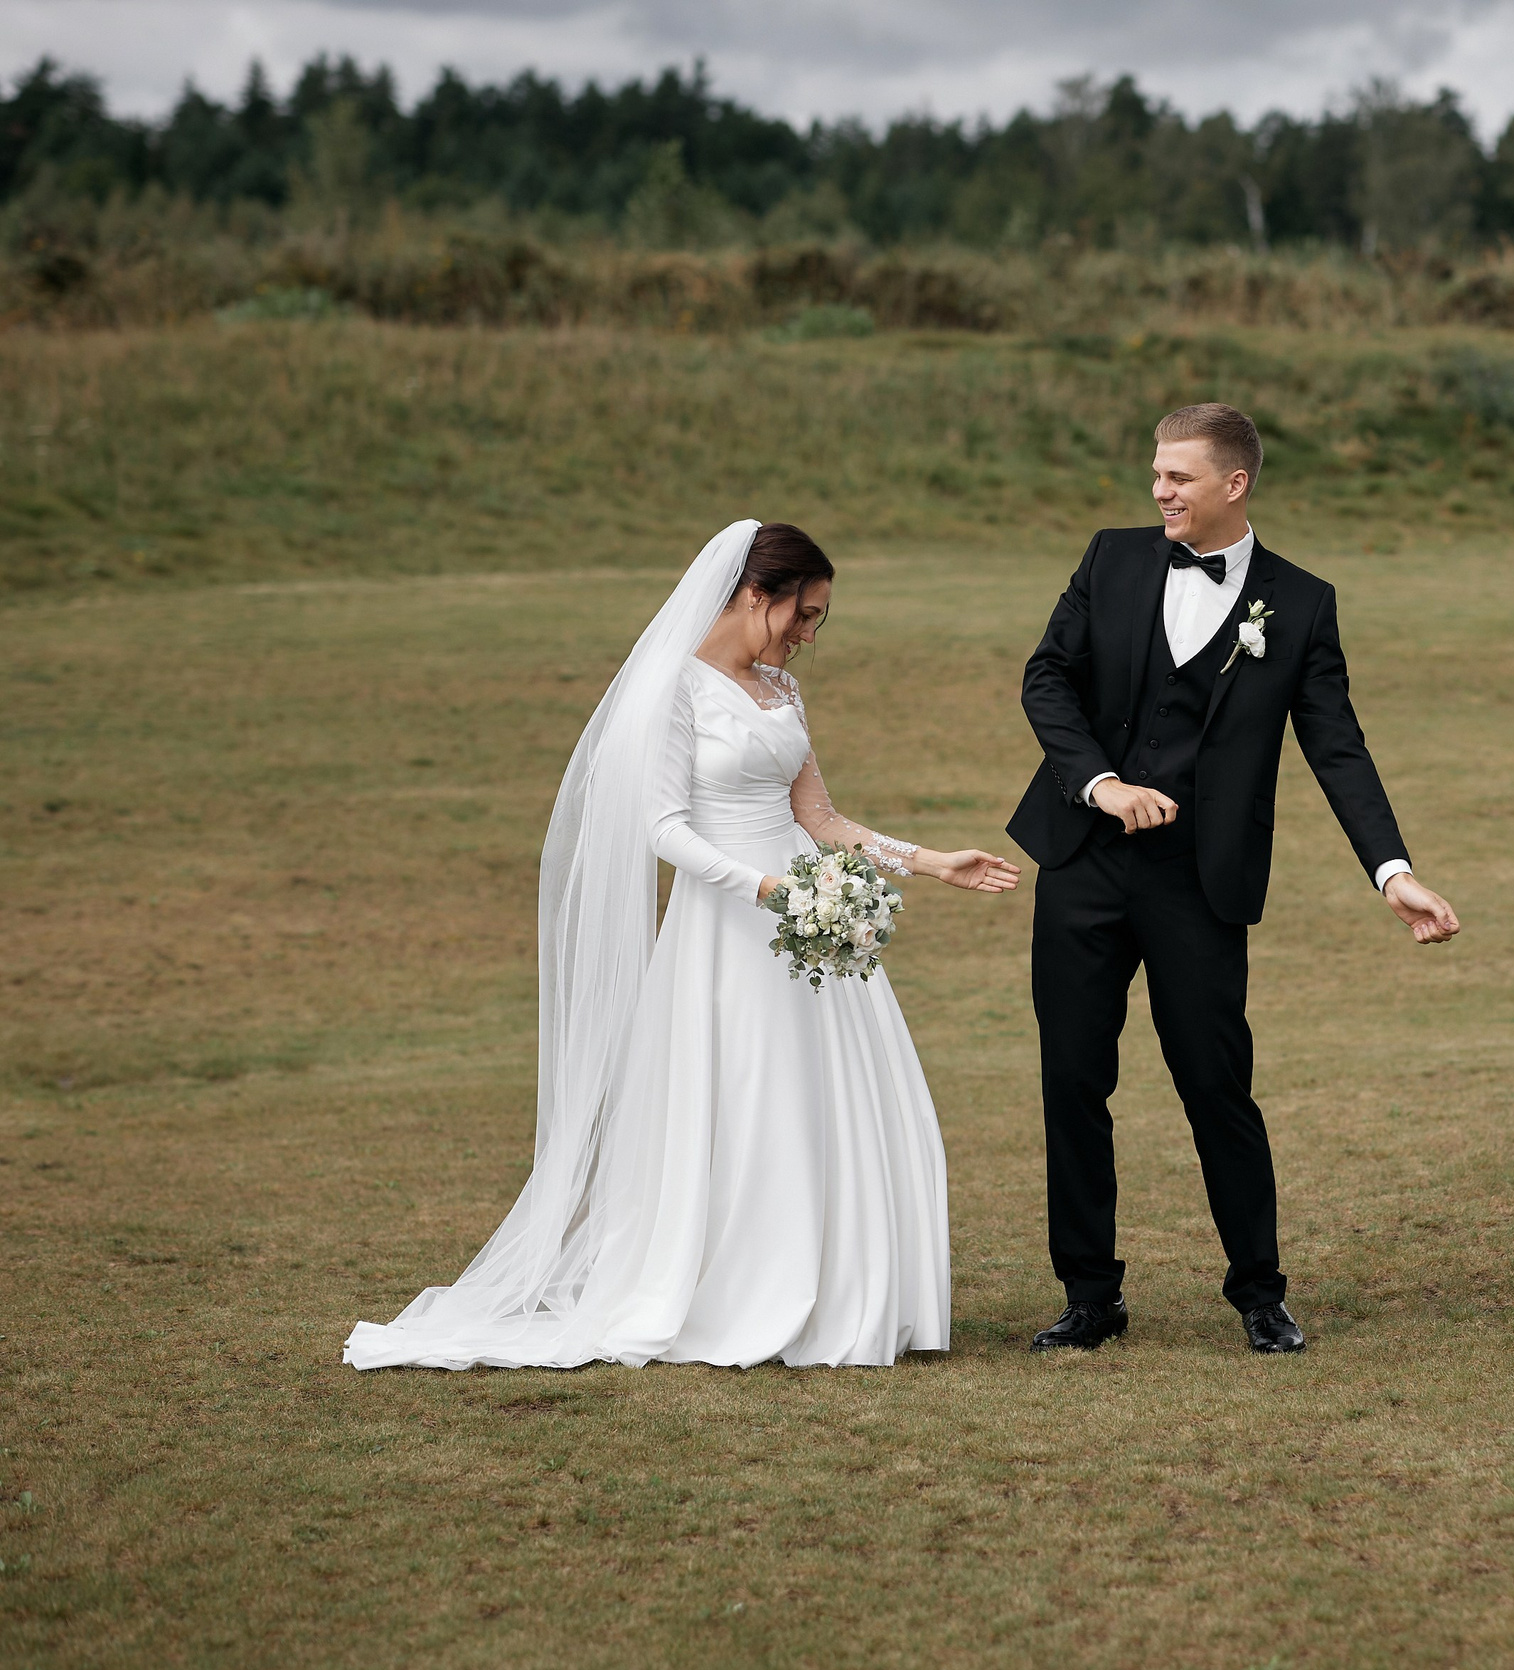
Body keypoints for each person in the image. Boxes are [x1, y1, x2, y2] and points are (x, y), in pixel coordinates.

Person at [345, 521, 1019, 1372]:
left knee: (833, 1098)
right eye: (802, 614)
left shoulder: (780, 689)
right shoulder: (675, 690)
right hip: (733, 926)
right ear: (752, 593)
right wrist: (767, 889)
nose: (809, 634)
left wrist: (929, 862)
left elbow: (819, 818)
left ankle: (838, 1285)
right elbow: (660, 827)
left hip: (811, 922)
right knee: (748, 1097)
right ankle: (738, 1287)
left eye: (819, 619)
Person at [1008, 403, 1461, 1356]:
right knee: (1073, 1081)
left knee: (1217, 1084)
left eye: (1178, 477)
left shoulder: (1299, 604)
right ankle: (1090, 1295)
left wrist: (1394, 872)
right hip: (1084, 863)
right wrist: (1101, 783)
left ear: (1234, 485)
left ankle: (1260, 1292)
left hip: (1197, 885)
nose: (1160, 490)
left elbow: (1338, 748)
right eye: (1157, 473)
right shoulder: (1112, 558)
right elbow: (1046, 678)